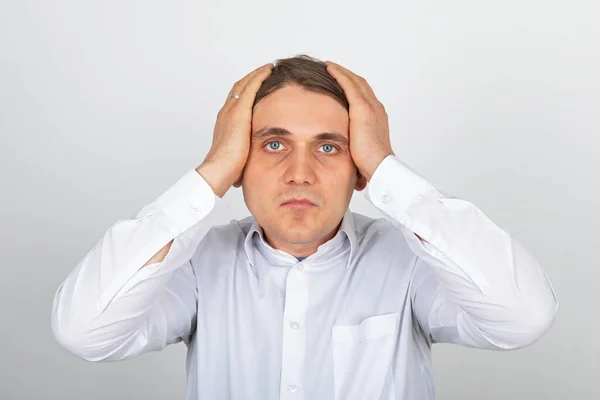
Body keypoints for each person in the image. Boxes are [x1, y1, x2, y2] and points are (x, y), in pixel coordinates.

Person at [51, 54, 558, 400]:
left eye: (329, 146)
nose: (300, 172)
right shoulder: (199, 264)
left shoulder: (410, 261)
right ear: (239, 164)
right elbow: (84, 332)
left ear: (358, 169)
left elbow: (523, 317)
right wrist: (208, 175)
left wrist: (385, 165)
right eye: (273, 144)